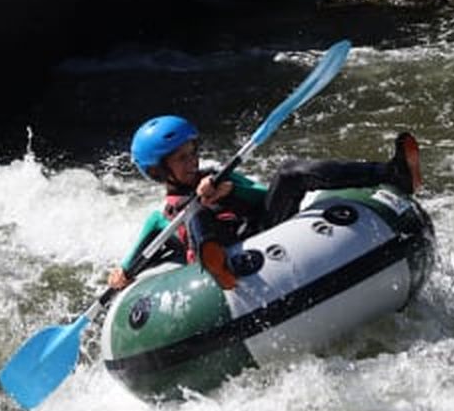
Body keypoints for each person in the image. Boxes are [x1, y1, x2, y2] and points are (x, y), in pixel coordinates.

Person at [108, 115, 421, 291]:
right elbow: (132, 264)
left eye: (193, 152)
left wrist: (229, 190)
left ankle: (393, 172)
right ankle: (216, 263)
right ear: (159, 171)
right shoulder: (162, 220)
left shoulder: (220, 177)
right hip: (217, 265)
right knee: (194, 212)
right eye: (181, 158)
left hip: (261, 233)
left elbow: (261, 197)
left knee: (289, 172)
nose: (192, 161)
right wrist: (121, 276)